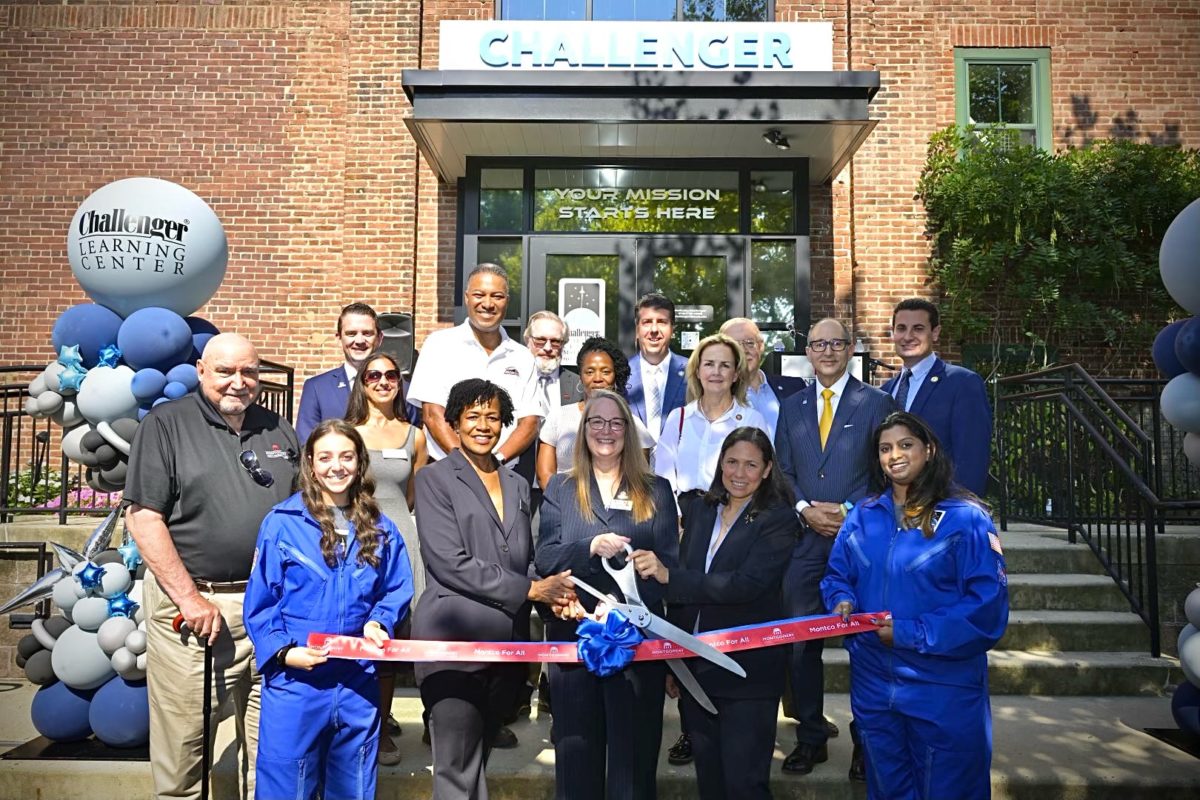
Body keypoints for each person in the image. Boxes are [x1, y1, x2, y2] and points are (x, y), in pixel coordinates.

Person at [124, 333, 299, 799]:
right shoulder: (166, 426)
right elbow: (143, 518)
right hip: (197, 613)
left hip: (268, 613)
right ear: (201, 371)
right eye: (225, 371)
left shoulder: (278, 429)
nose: (238, 382)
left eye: (249, 372)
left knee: (272, 752)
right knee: (185, 751)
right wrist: (189, 599)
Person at [821, 411, 1009, 800]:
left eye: (906, 445)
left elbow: (986, 609)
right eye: (885, 448)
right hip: (873, 683)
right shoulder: (862, 517)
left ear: (929, 450)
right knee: (887, 789)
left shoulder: (967, 520)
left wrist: (908, 633)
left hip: (942, 685)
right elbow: (838, 574)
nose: (895, 455)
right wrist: (841, 600)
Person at [412, 378, 576, 800]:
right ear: (454, 422)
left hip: (508, 648)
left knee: (476, 760)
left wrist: (560, 589)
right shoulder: (434, 479)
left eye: (492, 416)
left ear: (504, 422)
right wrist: (531, 590)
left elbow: (526, 555)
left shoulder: (518, 485)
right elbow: (450, 564)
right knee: (454, 768)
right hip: (454, 641)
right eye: (472, 416)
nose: (483, 425)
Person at [244, 420, 414, 799]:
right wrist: (286, 652)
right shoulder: (281, 525)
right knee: (286, 787)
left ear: (359, 462)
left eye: (346, 456)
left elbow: (396, 587)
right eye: (325, 457)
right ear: (310, 463)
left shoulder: (382, 529)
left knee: (352, 787)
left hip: (357, 680)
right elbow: (260, 603)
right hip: (296, 682)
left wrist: (379, 622)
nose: (336, 466)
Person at [631, 427, 798, 800]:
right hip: (696, 671)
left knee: (744, 784)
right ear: (720, 463)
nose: (739, 473)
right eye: (732, 461)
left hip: (748, 674)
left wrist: (668, 576)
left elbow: (746, 584)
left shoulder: (780, 520)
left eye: (751, 464)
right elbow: (685, 591)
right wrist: (674, 658)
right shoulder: (703, 510)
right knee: (710, 780)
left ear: (768, 469)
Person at [535, 389, 678, 800]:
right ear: (582, 431)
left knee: (633, 763)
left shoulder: (657, 490)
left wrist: (658, 567)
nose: (606, 431)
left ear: (629, 432)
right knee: (577, 757)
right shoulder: (561, 488)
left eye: (616, 423)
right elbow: (544, 557)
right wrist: (589, 548)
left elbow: (672, 565)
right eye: (596, 422)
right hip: (575, 640)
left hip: (639, 645)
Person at [774, 318, 896, 779]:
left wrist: (845, 508)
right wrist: (806, 508)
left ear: (850, 349)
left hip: (861, 538)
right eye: (818, 343)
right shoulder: (792, 406)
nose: (827, 350)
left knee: (864, 642)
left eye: (835, 343)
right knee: (801, 642)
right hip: (805, 539)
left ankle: (866, 743)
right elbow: (782, 470)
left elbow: (885, 470)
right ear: (807, 350)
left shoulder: (877, 402)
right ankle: (810, 737)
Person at [345, 349, 428, 765]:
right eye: (373, 375)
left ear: (400, 382)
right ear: (362, 383)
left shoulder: (415, 435)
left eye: (390, 375)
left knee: (391, 635)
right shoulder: (345, 432)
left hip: (400, 541)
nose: (382, 381)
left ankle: (380, 726)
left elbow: (412, 496)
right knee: (355, 630)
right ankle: (351, 724)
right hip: (356, 540)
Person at [407, 264, 542, 473]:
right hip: (447, 471)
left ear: (507, 301)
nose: (487, 304)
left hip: (503, 472)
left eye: (497, 296)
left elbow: (530, 422)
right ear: (467, 297)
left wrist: (495, 461)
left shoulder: (522, 356)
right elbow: (433, 414)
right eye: (479, 295)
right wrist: (467, 465)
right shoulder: (439, 344)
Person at [882, 298, 992, 496]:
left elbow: (972, 457)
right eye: (901, 328)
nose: (908, 336)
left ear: (935, 332)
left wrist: (959, 511)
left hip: (941, 509)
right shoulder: (885, 391)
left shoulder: (962, 383)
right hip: (891, 510)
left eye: (918, 328)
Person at [654, 332, 769, 511]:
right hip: (684, 517)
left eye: (724, 365)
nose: (716, 372)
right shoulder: (679, 418)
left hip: (732, 514)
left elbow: (763, 477)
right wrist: (673, 519)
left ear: (735, 374)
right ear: (698, 371)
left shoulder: (751, 420)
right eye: (709, 364)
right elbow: (663, 477)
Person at [536, 336, 654, 489]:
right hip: (563, 507)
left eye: (606, 372)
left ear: (615, 376)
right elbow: (545, 475)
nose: (597, 379)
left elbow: (640, 478)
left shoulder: (632, 424)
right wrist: (563, 506)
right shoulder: (558, 418)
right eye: (589, 372)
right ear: (581, 376)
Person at [296, 302, 383, 443]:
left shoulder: (400, 387)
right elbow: (306, 444)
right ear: (339, 338)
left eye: (367, 333)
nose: (359, 340)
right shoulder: (317, 388)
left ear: (379, 338)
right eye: (351, 333)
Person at [719, 317, 807, 439]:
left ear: (761, 346)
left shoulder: (794, 387)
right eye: (734, 345)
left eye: (749, 343)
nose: (744, 350)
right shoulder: (717, 395)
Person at [625, 293, 688, 440]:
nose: (654, 329)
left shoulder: (692, 372)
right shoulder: (621, 373)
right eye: (647, 322)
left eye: (661, 322)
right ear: (637, 330)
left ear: (672, 330)